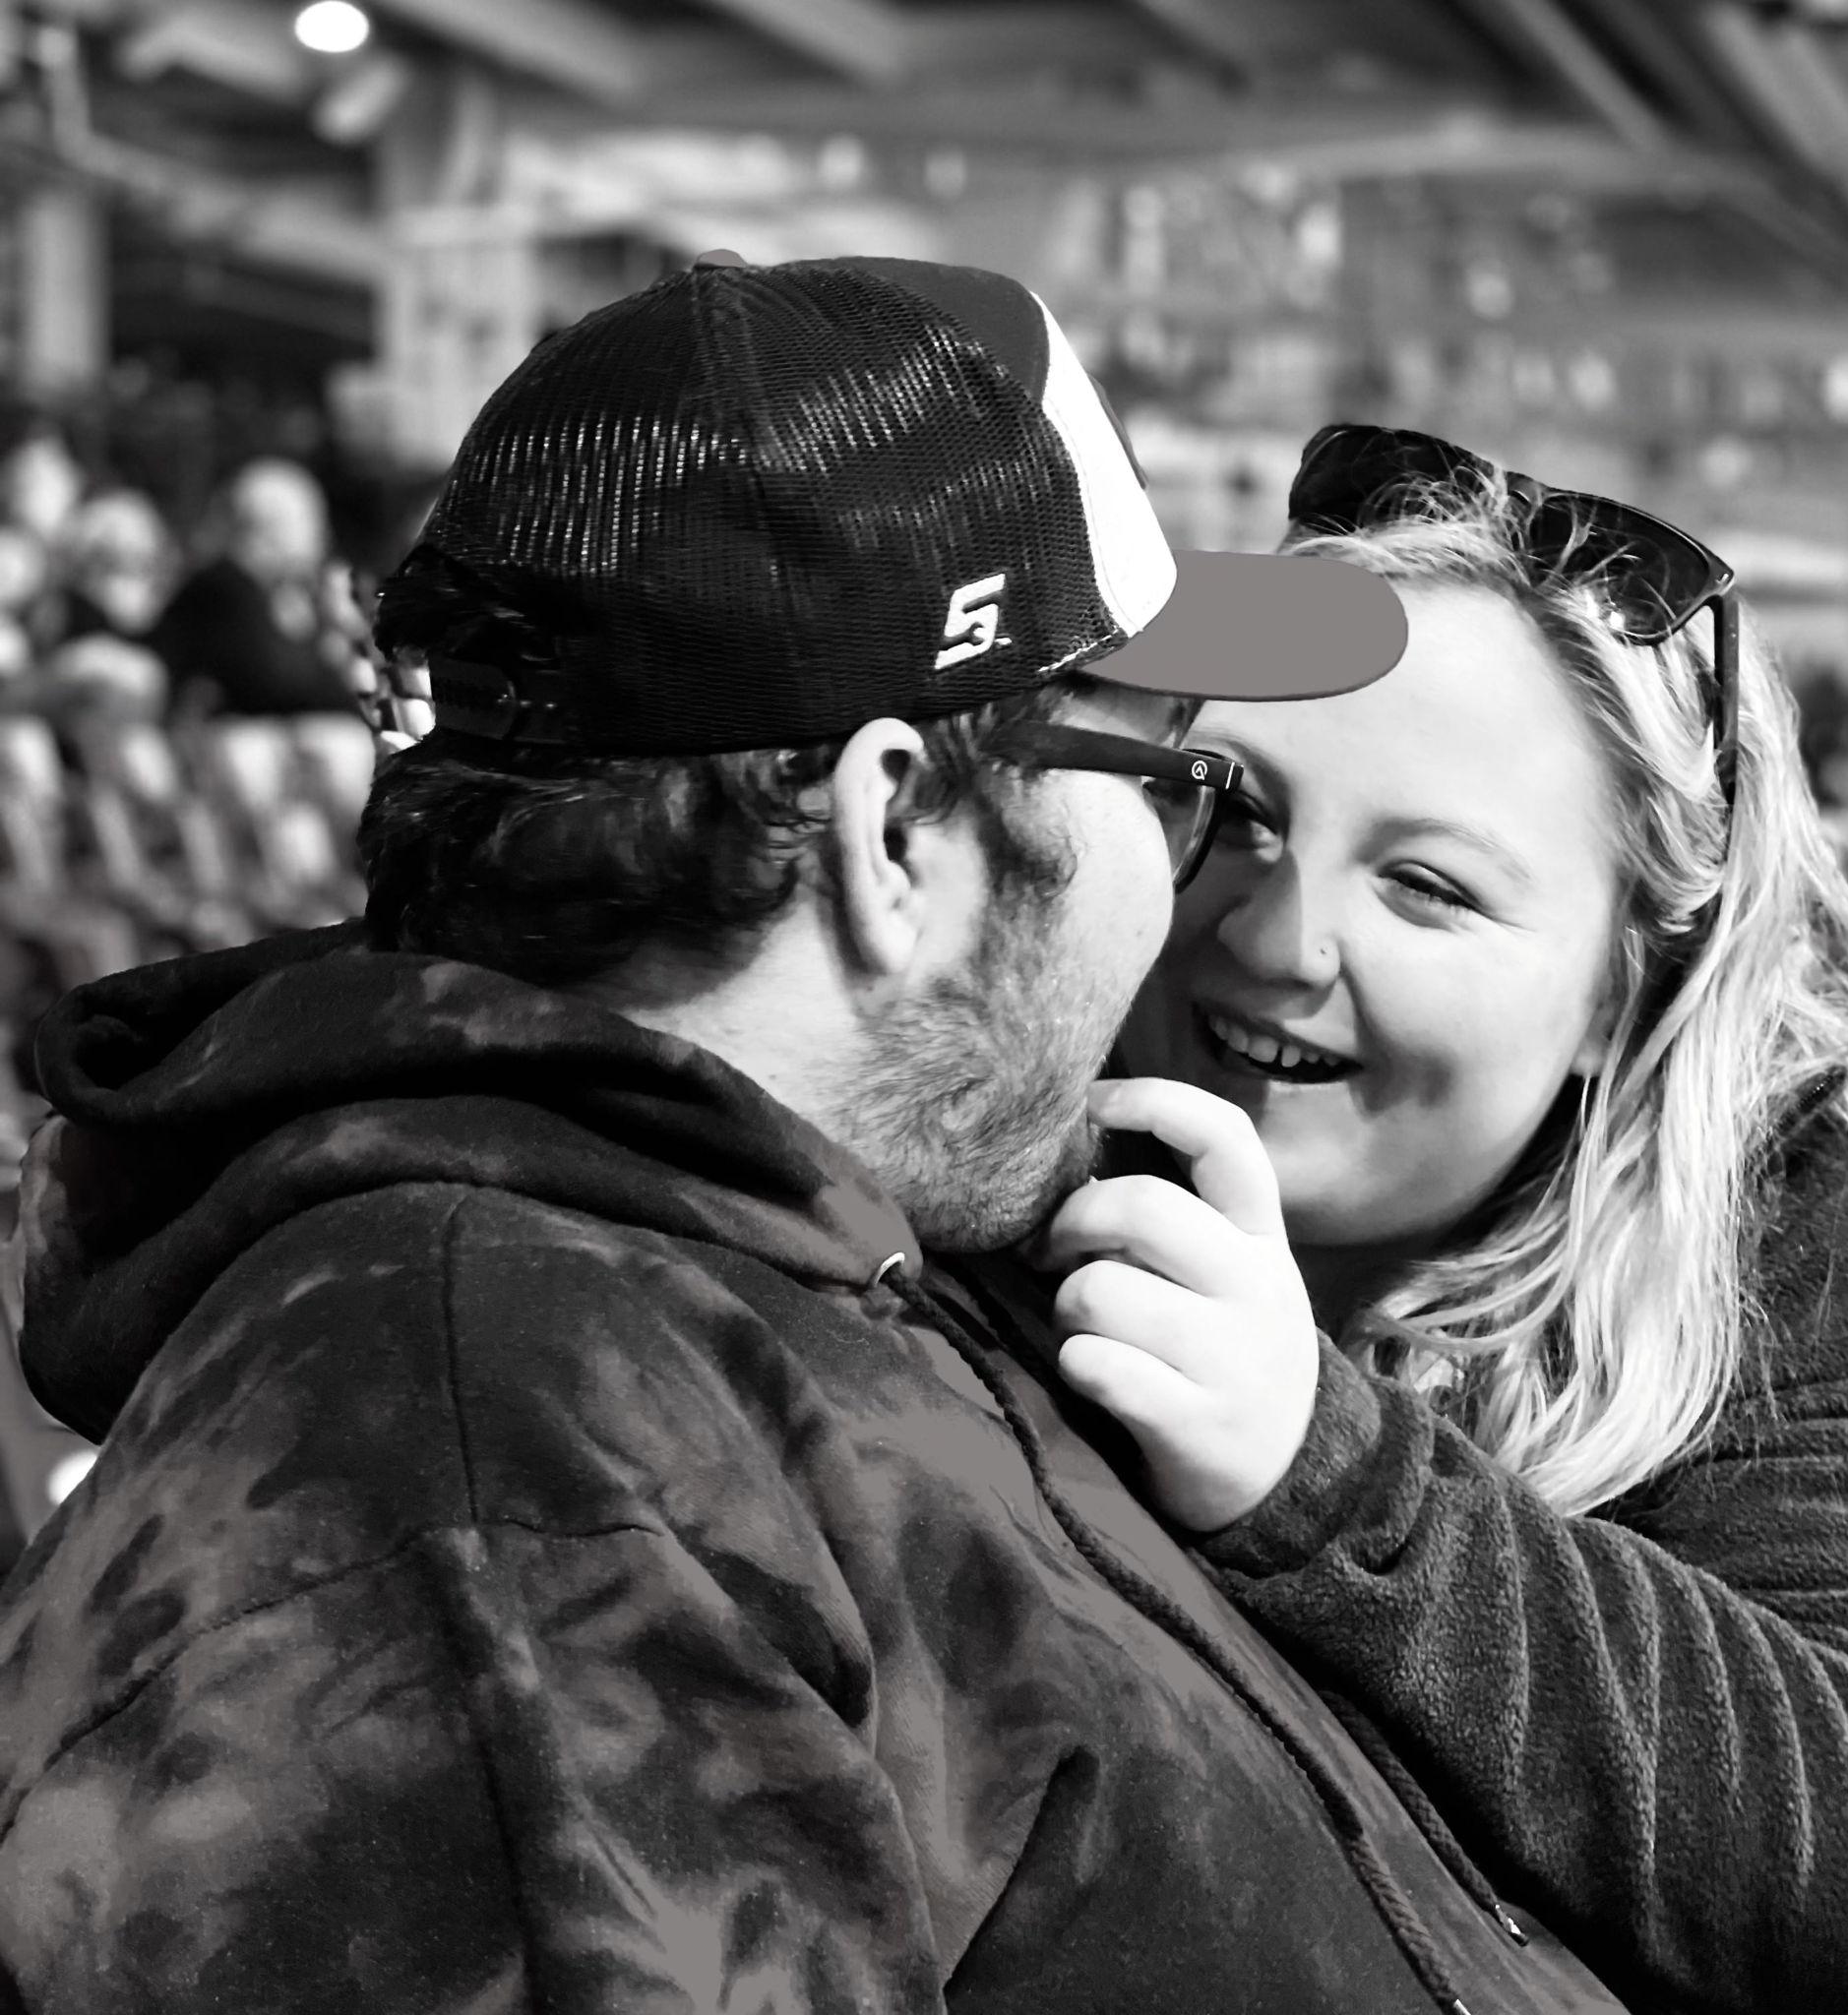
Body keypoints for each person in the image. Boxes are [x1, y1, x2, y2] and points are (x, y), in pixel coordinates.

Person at [0, 257, 1633, 2015]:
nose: (1192, 899)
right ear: (896, 832)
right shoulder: (492, 1461)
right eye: (1173, 785)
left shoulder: (769, 1260)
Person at [1015, 425, 1848, 2015]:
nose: (1274, 940)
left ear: (1627, 989)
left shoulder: (1770, 1236)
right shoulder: (999, 1091)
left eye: (1426, 885)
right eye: (1238, 808)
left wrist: (1322, 1474)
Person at [148, 456, 357, 717]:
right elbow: (275, 683)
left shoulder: (274, 590)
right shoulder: (225, 585)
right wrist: (333, 641)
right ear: (276, 527)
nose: (321, 539)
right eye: (311, 522)